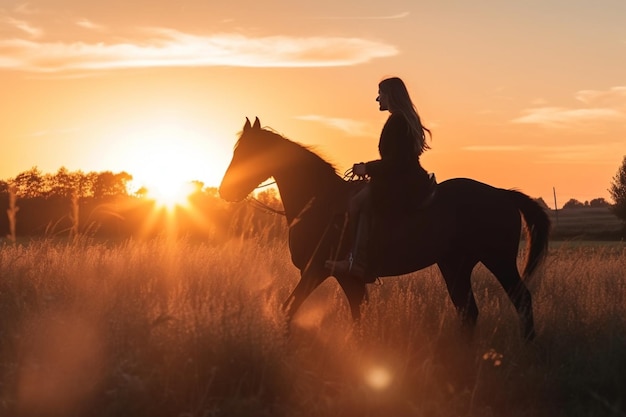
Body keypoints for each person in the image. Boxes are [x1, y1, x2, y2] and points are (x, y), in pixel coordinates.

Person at [325, 76, 432, 282]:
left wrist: (367, 167)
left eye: (380, 93)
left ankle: (357, 261)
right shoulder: (404, 118)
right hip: (408, 178)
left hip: (401, 181)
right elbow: (399, 159)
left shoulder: (398, 120)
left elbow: (398, 161)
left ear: (390, 95)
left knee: (356, 202)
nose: (377, 99)